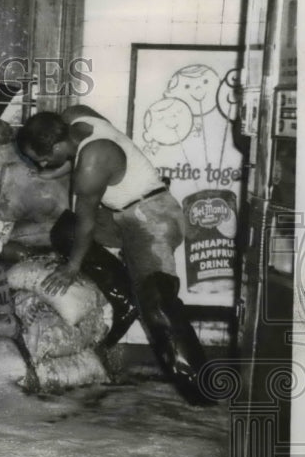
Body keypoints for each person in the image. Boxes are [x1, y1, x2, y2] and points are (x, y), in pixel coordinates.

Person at [15, 105, 214, 406]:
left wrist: (71, 268)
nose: (42, 164)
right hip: (123, 213)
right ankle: (125, 299)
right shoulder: (75, 117)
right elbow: (76, 164)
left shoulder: (92, 164)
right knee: (63, 232)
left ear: (58, 145)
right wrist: (54, 169)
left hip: (153, 218)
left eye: (44, 158)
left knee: (158, 303)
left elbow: (87, 224)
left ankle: (202, 392)